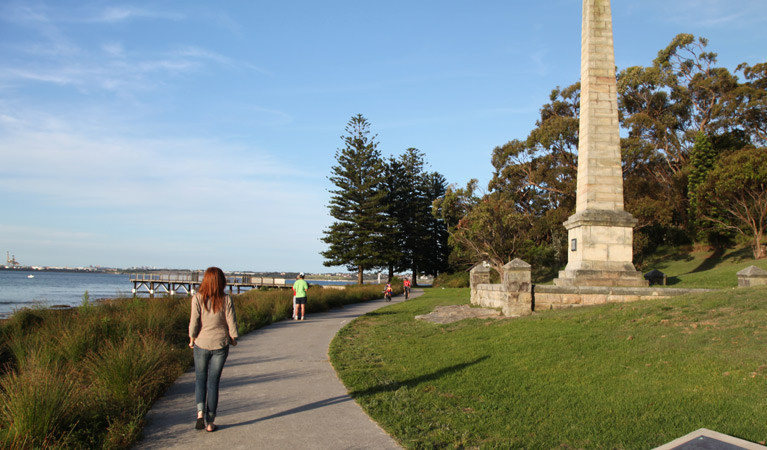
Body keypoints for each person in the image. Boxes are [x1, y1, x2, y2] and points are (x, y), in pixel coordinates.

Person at [188, 267, 238, 432]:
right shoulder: (225, 299)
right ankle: (210, 422)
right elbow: (231, 320)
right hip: (220, 344)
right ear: (221, 281)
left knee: (200, 379)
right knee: (213, 382)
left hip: (201, 343)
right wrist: (233, 338)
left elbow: (194, 321)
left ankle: (200, 413)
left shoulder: (197, 298)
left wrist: (192, 338)